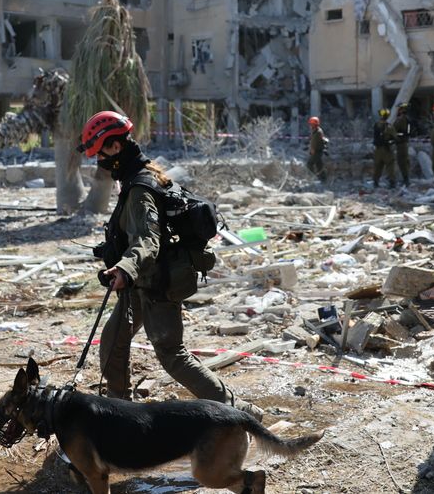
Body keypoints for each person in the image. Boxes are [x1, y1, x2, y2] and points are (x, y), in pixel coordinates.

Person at [80, 111, 262, 419]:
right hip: (140, 282)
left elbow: (148, 241)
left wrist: (125, 268)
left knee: (171, 354)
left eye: (100, 154)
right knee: (112, 342)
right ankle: (119, 411)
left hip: (157, 283)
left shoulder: (140, 189)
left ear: (115, 147)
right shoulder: (138, 178)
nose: (99, 161)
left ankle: (241, 412)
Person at [371, 108, 396, 188]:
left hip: (378, 149)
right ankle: (392, 182)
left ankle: (375, 182)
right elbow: (395, 138)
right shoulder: (389, 126)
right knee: (390, 166)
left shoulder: (376, 125)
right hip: (386, 149)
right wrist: (390, 143)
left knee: (377, 166)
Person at [393, 103, 412, 187]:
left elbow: (396, 130)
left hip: (401, 143)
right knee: (404, 161)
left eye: (399, 109)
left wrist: (394, 136)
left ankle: (406, 180)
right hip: (403, 142)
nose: (398, 110)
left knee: (402, 162)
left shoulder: (401, 119)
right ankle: (405, 179)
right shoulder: (406, 118)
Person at [306, 116, 327, 181]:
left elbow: (314, 143)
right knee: (319, 165)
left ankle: (312, 178)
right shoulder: (316, 131)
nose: (310, 125)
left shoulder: (317, 132)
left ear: (314, 124)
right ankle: (323, 179)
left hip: (317, 151)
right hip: (318, 151)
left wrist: (312, 150)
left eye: (311, 124)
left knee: (309, 164)